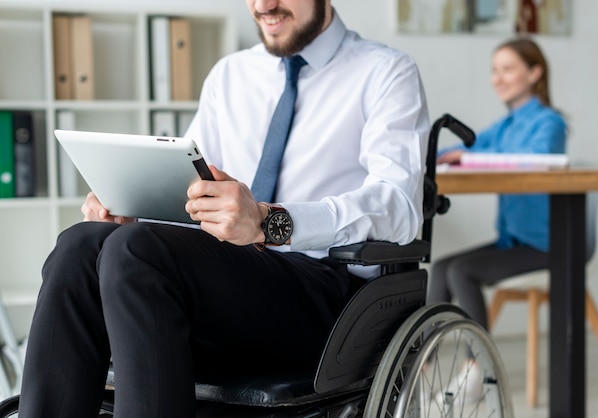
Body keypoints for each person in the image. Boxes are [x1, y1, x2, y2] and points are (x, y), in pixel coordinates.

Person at [18, 1, 430, 416]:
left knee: (135, 250)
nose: (264, 6)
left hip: (324, 292)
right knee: (82, 243)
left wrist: (271, 223)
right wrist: (134, 206)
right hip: (231, 281)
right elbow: (186, 187)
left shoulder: (385, 71)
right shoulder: (229, 75)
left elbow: (398, 205)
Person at [427, 37, 567, 332]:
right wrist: (424, 159)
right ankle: (419, 366)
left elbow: (539, 158)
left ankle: (478, 367)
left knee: (462, 271)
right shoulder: (504, 126)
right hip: (511, 241)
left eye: (507, 69)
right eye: (494, 70)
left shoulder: (549, 123)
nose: (497, 78)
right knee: (440, 269)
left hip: (546, 245)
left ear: (534, 73)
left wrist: (469, 157)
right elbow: (461, 151)